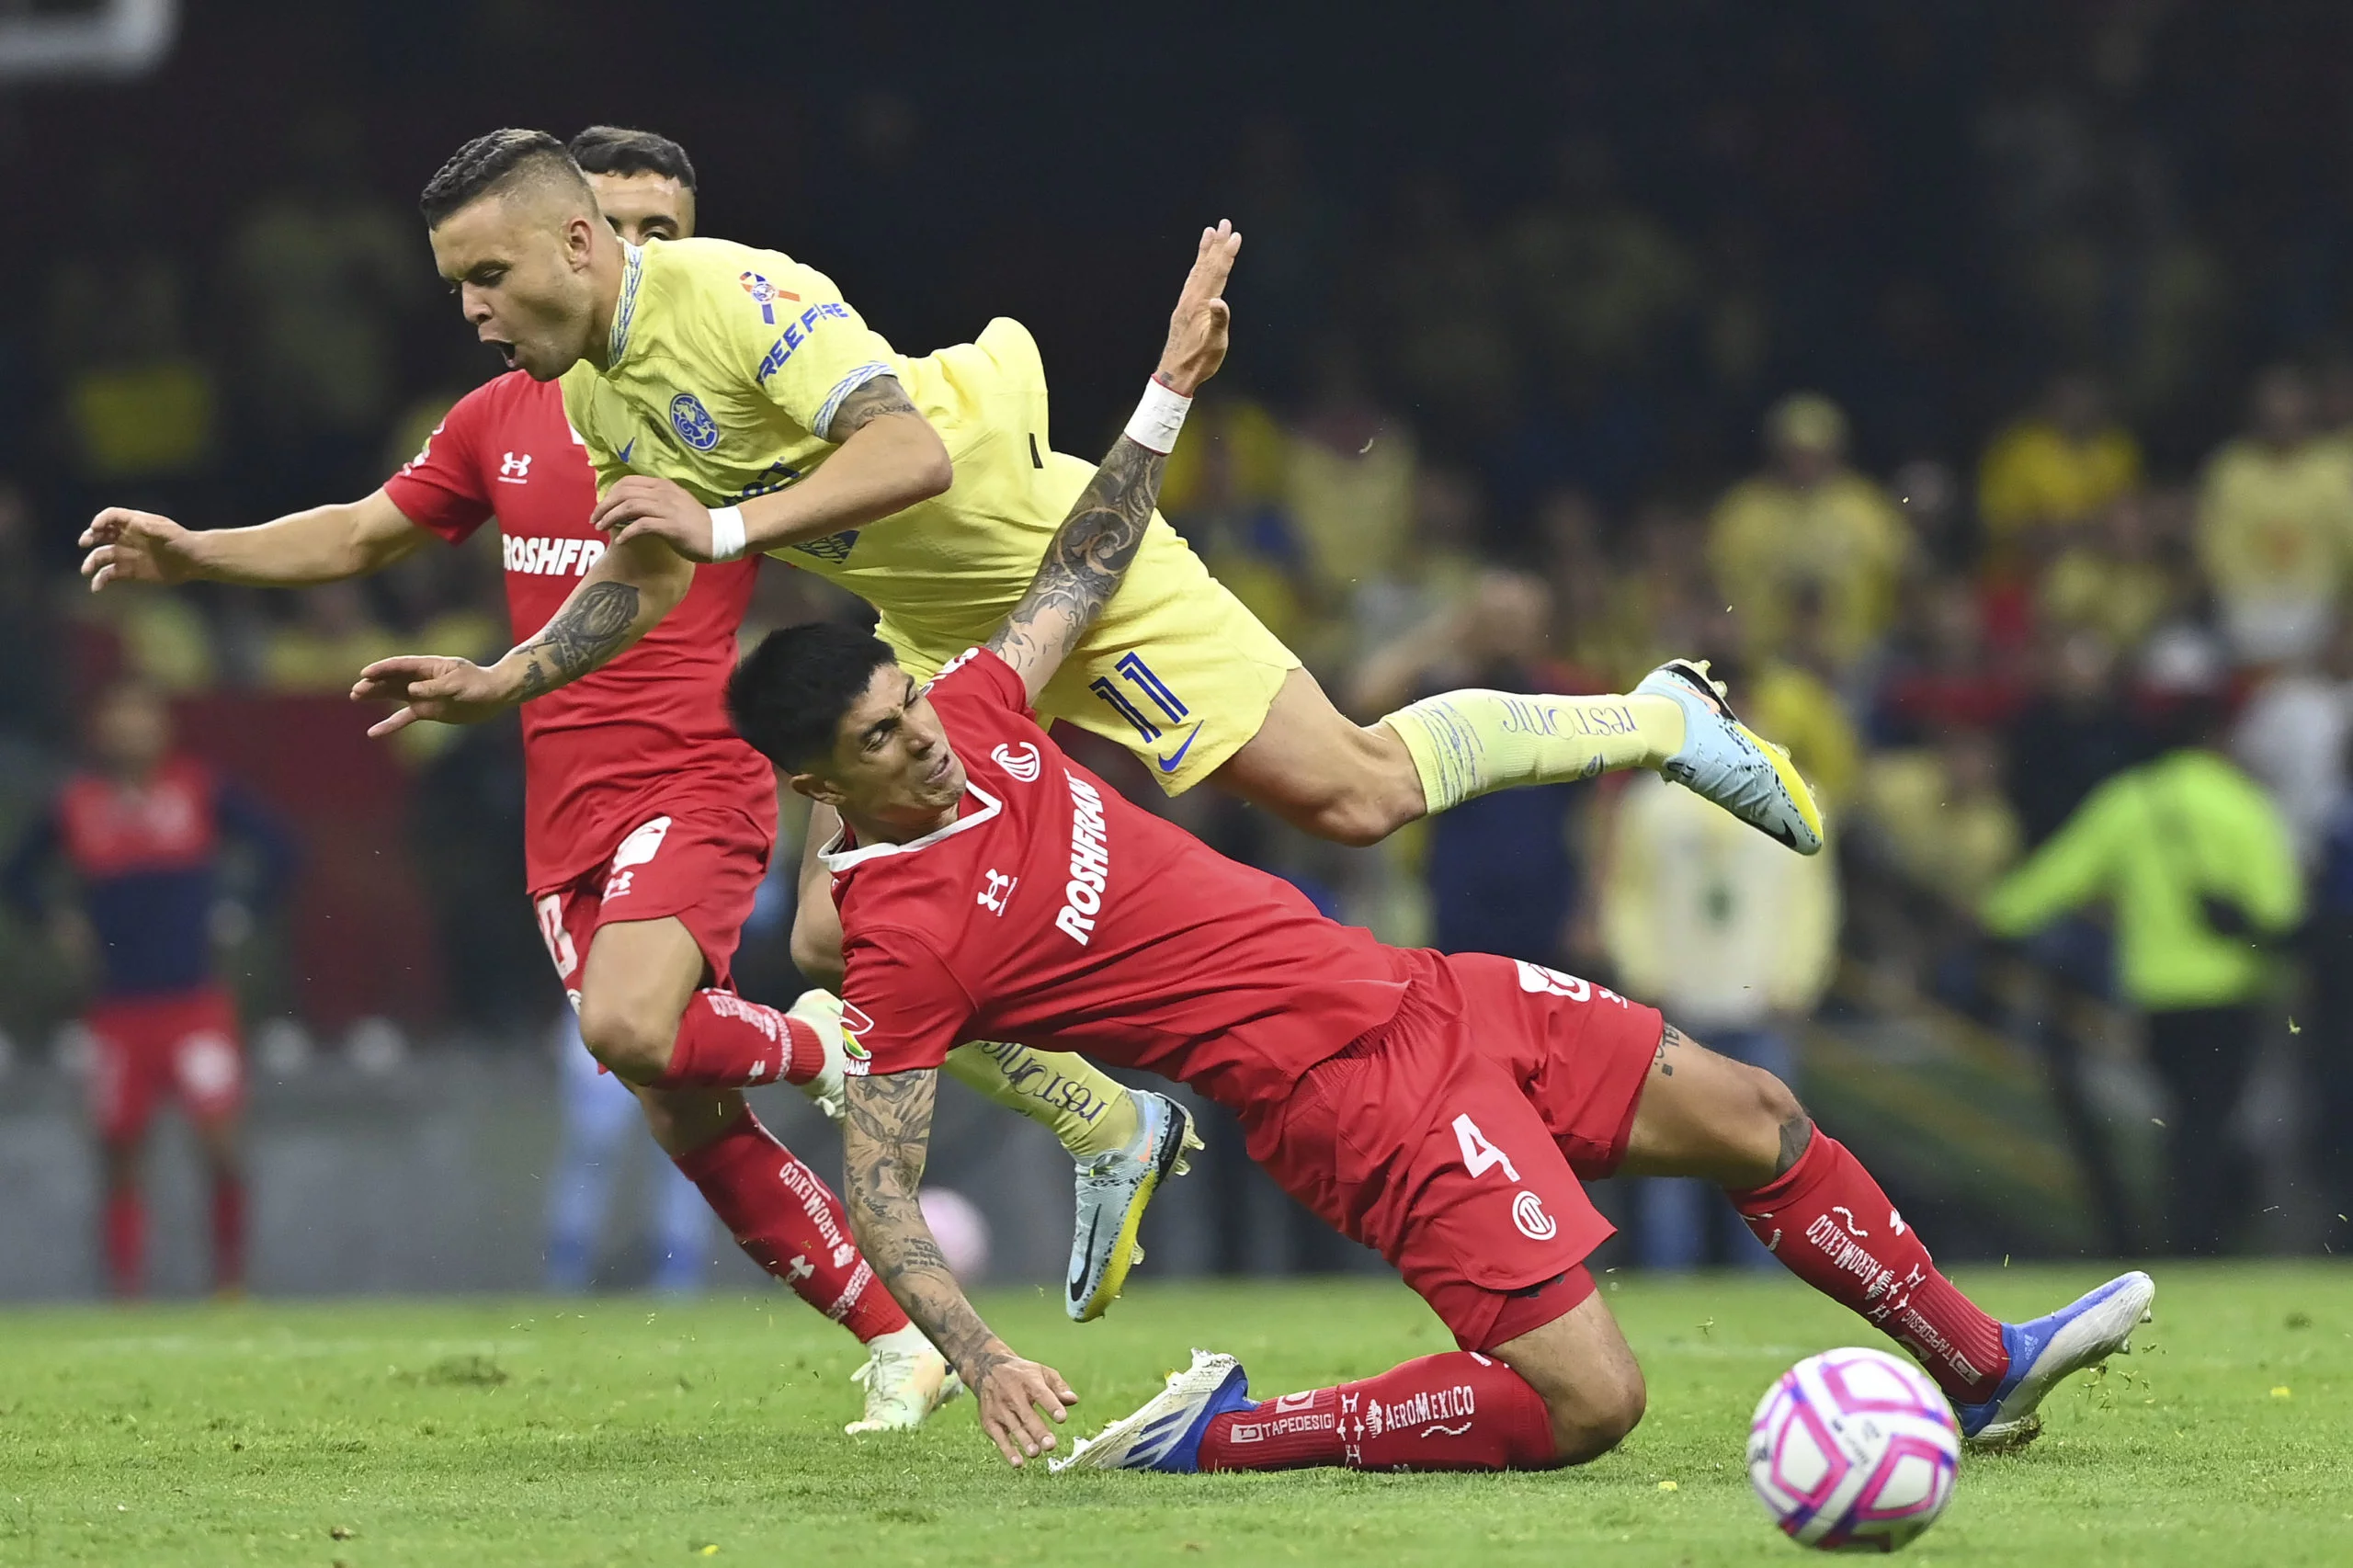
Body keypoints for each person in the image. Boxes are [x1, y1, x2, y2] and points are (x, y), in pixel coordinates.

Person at [726, 233, 2153, 1474]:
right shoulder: (903, 936)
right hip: (1347, 1096)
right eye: (883, 740)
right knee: (1595, 1402)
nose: (923, 736)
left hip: (1424, 990)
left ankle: (1978, 1369)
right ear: (819, 781)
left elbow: (1082, 564)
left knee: (1759, 1115)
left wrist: (1171, 382)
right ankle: (1214, 1433)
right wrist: (983, 1357)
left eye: (903, 702)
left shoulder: (974, 706)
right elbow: (881, 1186)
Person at [76, 127, 1177, 1424]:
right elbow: (368, 528)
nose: (656, 253)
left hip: (692, 775)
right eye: (630, 223)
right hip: (565, 806)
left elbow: (863, 465)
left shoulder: (710, 400)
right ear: (578, 231)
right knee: (676, 1108)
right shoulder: (508, 414)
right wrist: (198, 553)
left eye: (675, 231)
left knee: (628, 1028)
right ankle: (903, 1339)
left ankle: (824, 1040)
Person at [343, 130, 1823, 1050]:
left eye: (485, 274)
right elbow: (641, 570)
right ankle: (1108, 1125)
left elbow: (908, 453)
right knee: (828, 939)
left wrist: (732, 532)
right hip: (938, 619)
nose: (470, 311)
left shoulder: (736, 292)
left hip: (1061, 564)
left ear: (577, 242)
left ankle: (1652, 718)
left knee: (1357, 793)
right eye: (455, 285)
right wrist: (507, 677)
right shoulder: (599, 394)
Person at [1983, 692, 2302, 1257]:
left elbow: (2059, 875)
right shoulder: (2245, 804)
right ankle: (2202, 1239)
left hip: (2160, 998)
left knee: (2181, 1120)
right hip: (2233, 993)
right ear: (2218, 741)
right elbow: (2279, 913)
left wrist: (1995, 919)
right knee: (2212, 1120)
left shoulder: (2130, 800)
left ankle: (2181, 1235)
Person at [3, 681, 294, 1298]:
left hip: (194, 1004)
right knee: (120, 1153)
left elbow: (280, 849)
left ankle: (231, 1284)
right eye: (118, 721)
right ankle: (127, 1292)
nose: (131, 732)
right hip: (117, 1010)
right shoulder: (77, 804)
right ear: (100, 733)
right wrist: (57, 919)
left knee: (221, 1146)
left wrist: (238, 908)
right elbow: (18, 876)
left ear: (164, 729)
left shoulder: (198, 789)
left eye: (141, 719)